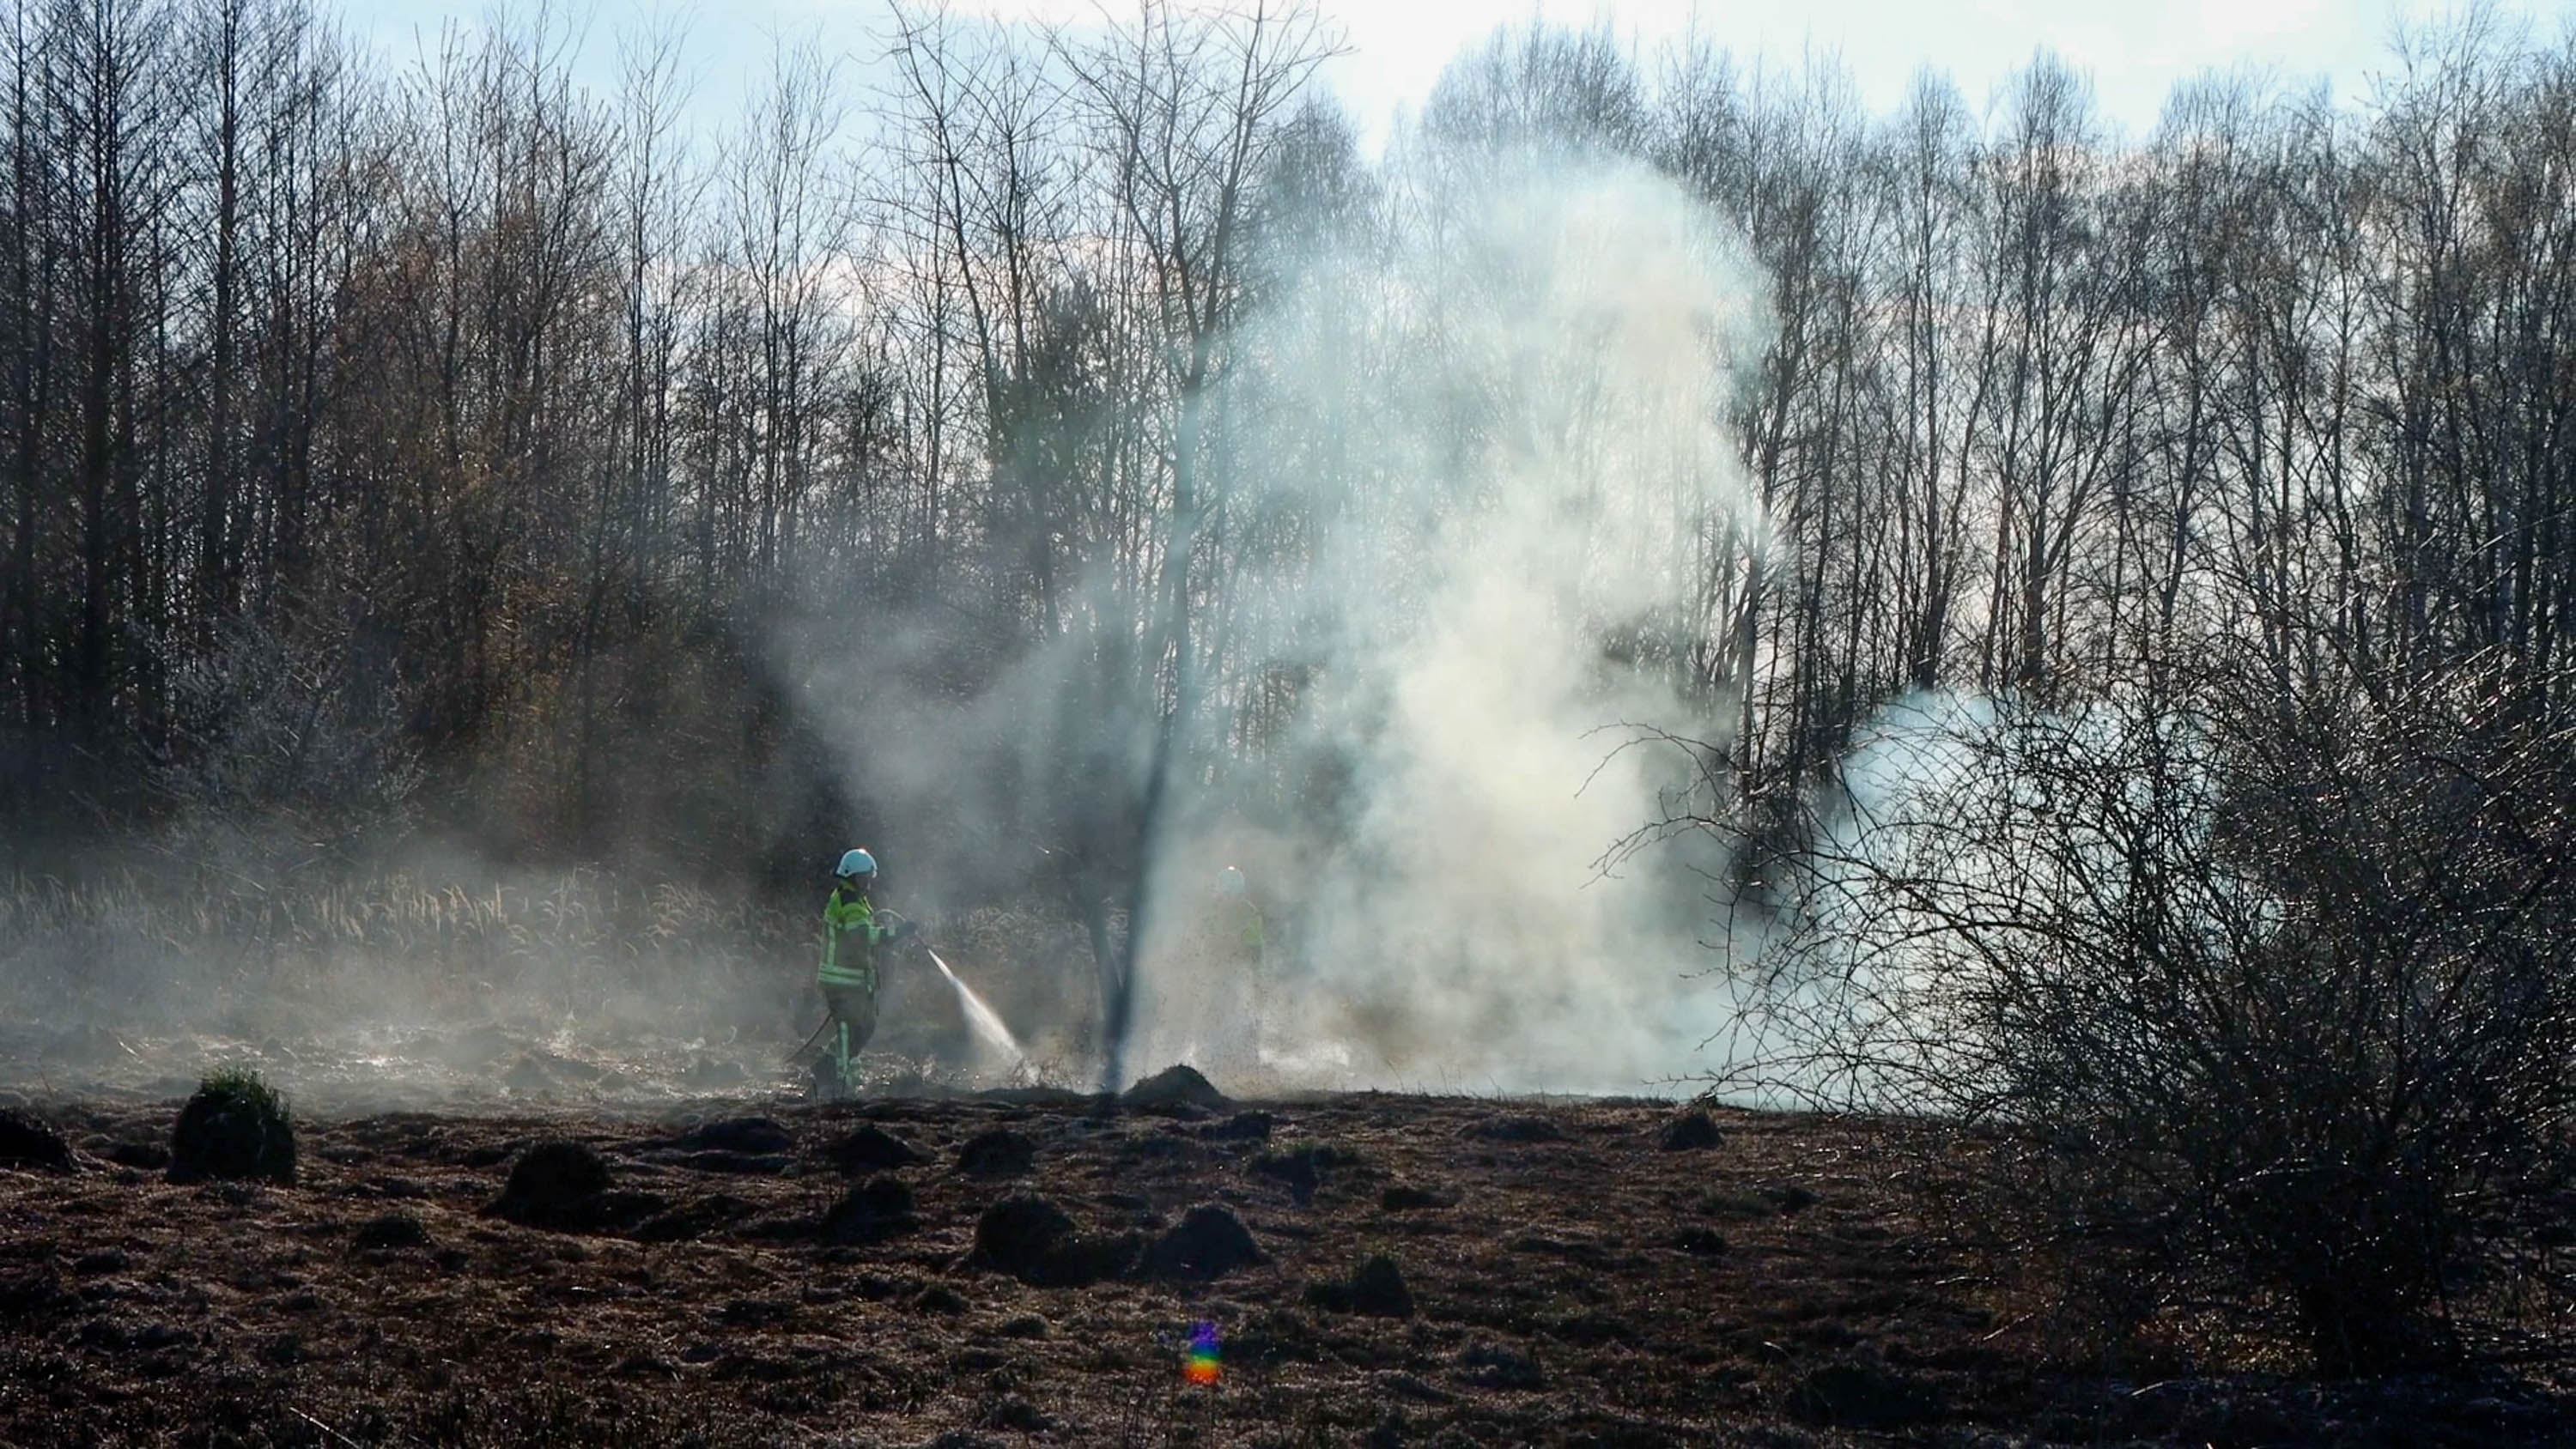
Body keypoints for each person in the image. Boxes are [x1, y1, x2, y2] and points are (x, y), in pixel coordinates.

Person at [815, 847, 917, 1100]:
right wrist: (897, 933)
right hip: (841, 980)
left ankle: (827, 1066)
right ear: (853, 876)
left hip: (855, 980)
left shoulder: (855, 900)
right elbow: (862, 937)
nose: (869, 882)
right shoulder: (849, 902)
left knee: (865, 1027)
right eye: (865, 877)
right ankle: (842, 1086)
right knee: (849, 1030)